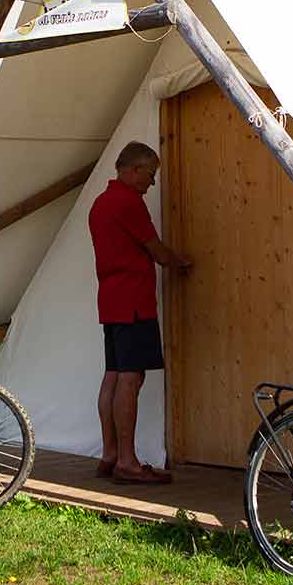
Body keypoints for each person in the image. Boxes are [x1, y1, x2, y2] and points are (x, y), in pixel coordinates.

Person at [88, 141, 191, 485]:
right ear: (133, 169)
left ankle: (110, 453)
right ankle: (128, 462)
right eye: (150, 174)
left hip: (111, 301)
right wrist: (183, 263)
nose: (152, 182)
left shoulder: (100, 203)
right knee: (131, 379)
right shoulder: (129, 203)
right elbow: (157, 251)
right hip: (134, 301)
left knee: (114, 375)